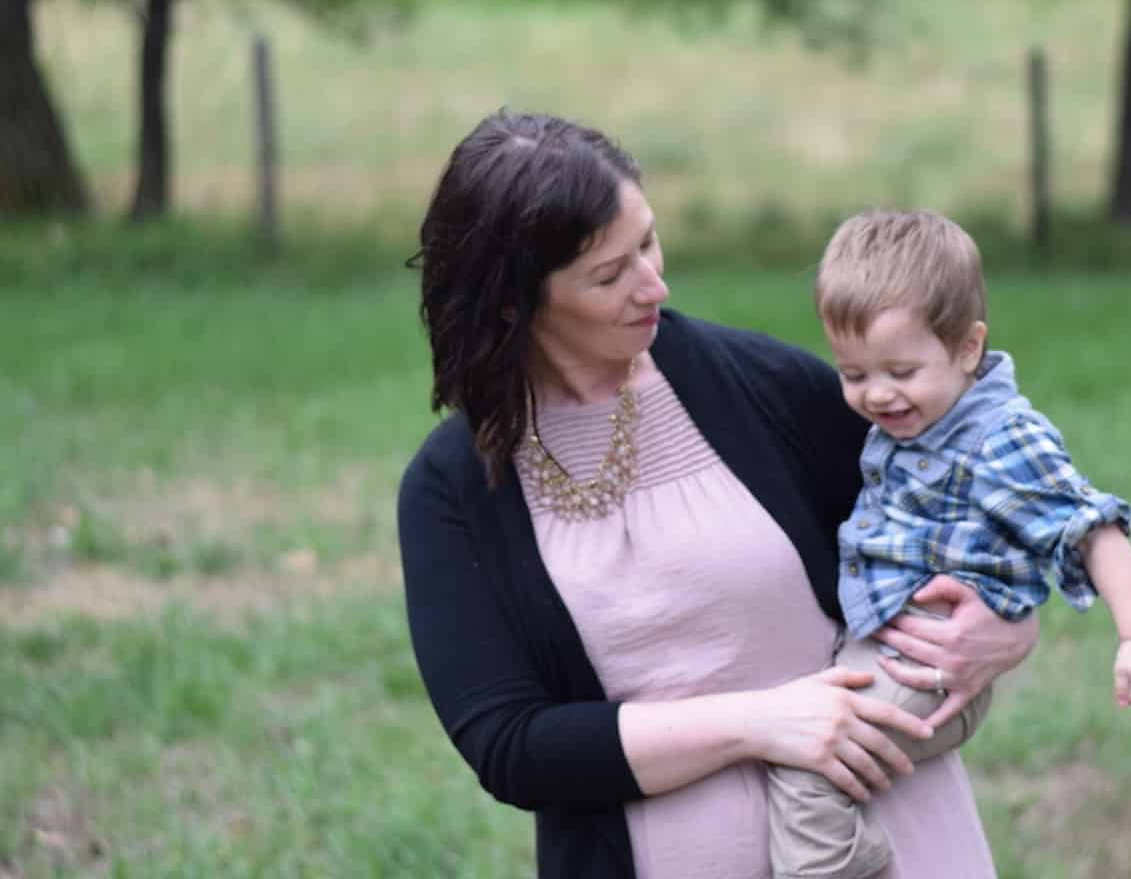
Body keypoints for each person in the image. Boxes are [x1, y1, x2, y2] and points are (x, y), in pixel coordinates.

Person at [397, 111, 1038, 879]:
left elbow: (971, 500)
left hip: (894, 842)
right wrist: (758, 723)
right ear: (513, 303)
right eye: (610, 274)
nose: (654, 285)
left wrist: (1008, 626)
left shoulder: (763, 388)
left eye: (649, 242)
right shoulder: (453, 489)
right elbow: (510, 746)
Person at [766, 208, 1131, 879]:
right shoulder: (916, 423)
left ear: (967, 348)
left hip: (930, 667)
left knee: (812, 764)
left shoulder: (1001, 439)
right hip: (888, 648)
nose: (876, 395)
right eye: (854, 373)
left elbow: (1091, 529)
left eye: (899, 370)